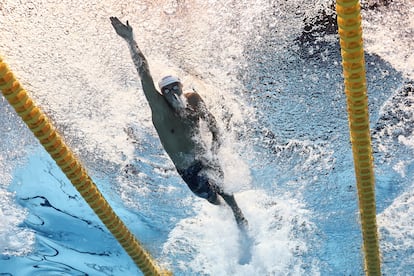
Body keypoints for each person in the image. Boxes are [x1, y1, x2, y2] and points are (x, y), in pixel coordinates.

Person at [110, 17, 247, 227]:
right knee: (211, 197)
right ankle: (223, 210)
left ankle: (238, 215)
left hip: (204, 155)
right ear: (162, 94)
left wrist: (216, 145)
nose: (173, 93)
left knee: (223, 187)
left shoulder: (192, 99)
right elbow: (144, 74)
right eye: (167, 91)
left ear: (181, 87)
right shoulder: (160, 111)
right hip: (187, 169)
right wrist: (130, 41)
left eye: (176, 87)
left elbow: (212, 124)